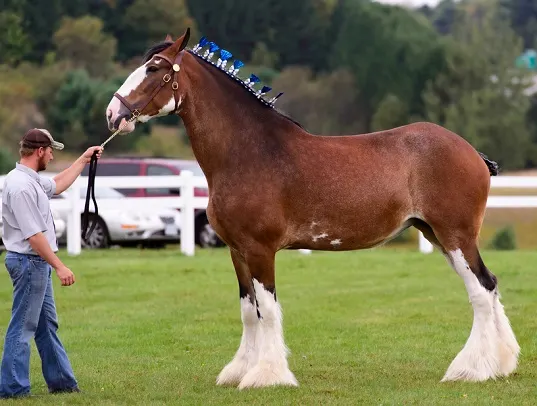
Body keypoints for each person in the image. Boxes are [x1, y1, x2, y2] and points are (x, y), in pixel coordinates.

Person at [0, 128, 102, 399]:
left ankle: (62, 383)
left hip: (35, 263)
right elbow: (33, 236)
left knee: (46, 326)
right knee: (22, 327)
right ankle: (12, 389)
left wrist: (83, 158)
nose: (53, 156)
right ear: (39, 151)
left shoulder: (30, 180)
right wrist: (60, 266)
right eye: (50, 151)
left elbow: (56, 184)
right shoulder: (20, 186)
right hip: (30, 262)